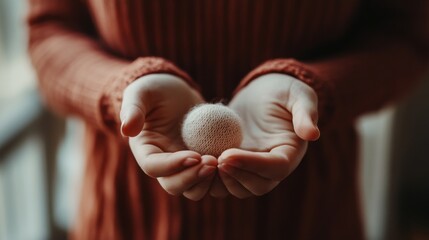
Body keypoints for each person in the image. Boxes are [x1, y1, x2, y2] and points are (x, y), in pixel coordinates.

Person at [27, 0, 429, 239]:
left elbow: (406, 37)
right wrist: (123, 87)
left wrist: (313, 87)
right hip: (130, 217)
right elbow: (49, 33)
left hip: (306, 215)